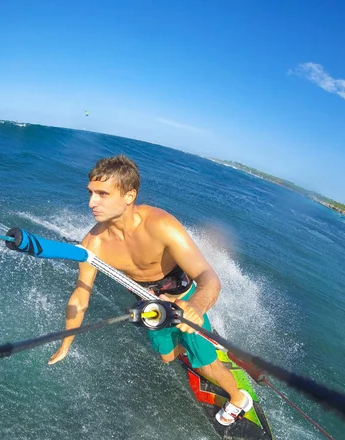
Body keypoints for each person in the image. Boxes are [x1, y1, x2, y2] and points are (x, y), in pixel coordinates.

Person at [48, 155, 253, 425]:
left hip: (184, 302)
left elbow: (209, 278)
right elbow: (81, 295)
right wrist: (67, 342)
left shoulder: (160, 225)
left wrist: (197, 308)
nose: (91, 203)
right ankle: (193, 348)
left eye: (102, 194)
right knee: (168, 357)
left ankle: (238, 398)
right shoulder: (94, 243)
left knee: (206, 363)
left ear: (129, 195)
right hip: (150, 305)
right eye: (90, 193)